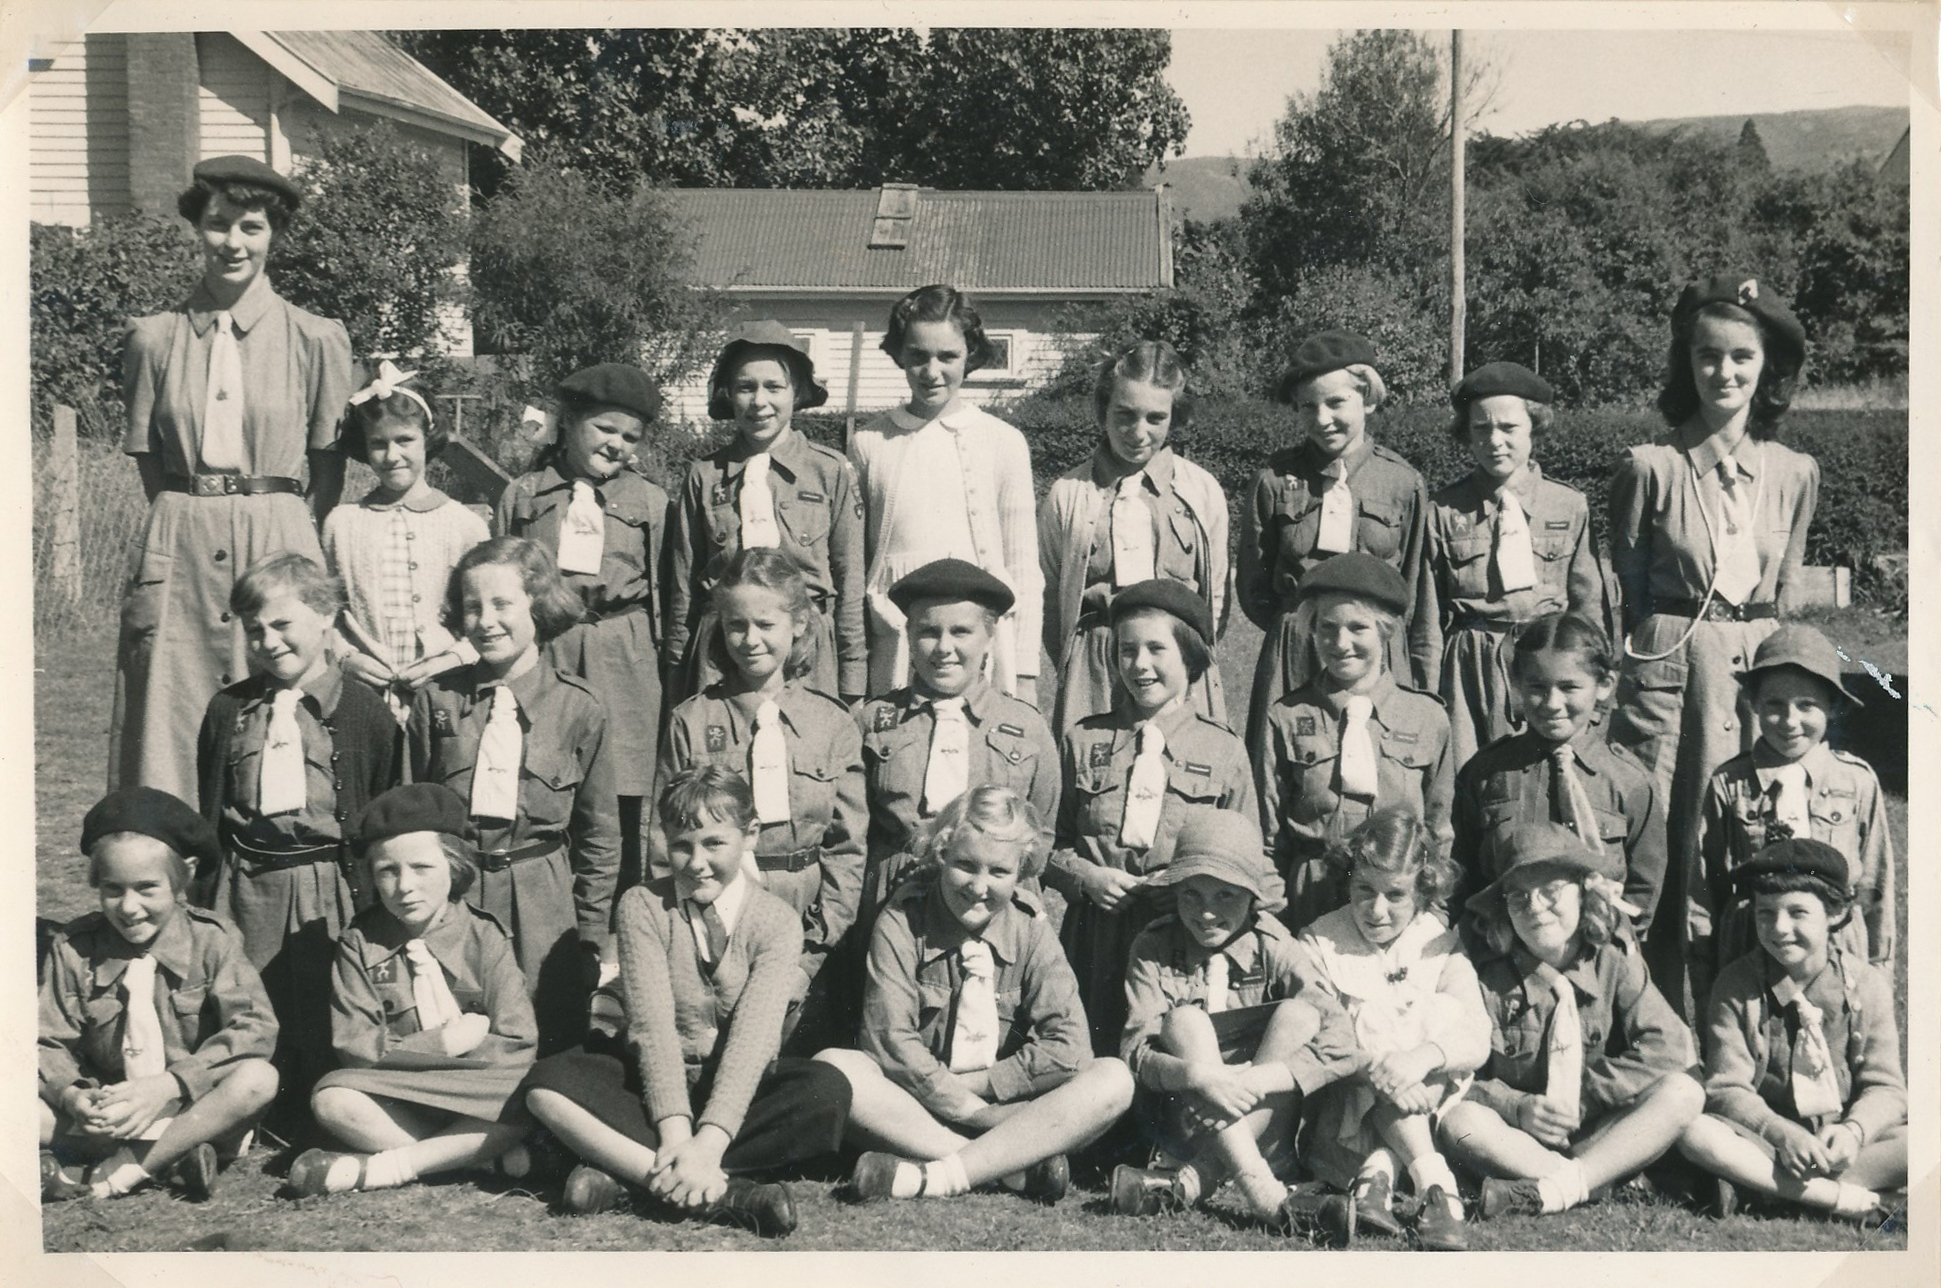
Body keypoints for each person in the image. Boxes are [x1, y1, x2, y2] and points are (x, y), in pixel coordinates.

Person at [1606, 274, 1820, 1022]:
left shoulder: (1795, 474)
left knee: (1753, 829)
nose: (1722, 373)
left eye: (1740, 358)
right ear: (1684, 363)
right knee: (1667, 839)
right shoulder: (1649, 468)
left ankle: (1751, 1019)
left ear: (1766, 370)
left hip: (1755, 666)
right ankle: (1659, 1017)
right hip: (1671, 666)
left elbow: (1785, 591)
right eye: (1705, 356)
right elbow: (1626, 592)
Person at [113, 154, 354, 802]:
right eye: (218, 224)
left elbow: (326, 465)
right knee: (168, 722)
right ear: (198, 227)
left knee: (286, 712)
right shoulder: (152, 339)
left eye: (250, 227)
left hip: (277, 536)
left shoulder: (316, 338)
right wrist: (195, 514)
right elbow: (149, 459)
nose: (233, 242)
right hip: (180, 543)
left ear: (273, 233)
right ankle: (169, 878)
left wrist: (285, 532)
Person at [521, 767, 850, 1238]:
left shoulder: (777, 921)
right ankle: (727, 1195)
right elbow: (652, 1029)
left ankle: (625, 1174)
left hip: (737, 1087)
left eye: (714, 843)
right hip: (654, 1084)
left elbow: (754, 1041)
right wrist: (678, 1135)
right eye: (681, 845)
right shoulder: (642, 906)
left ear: (750, 834)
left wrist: (708, 1145)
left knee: (827, 1090)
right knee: (546, 1084)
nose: (696, 863)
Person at [818, 787, 1135, 1206]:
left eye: (999, 872)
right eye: (965, 866)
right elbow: (889, 1042)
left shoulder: (1030, 928)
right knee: (837, 1067)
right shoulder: (901, 920)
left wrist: (983, 1094)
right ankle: (1012, 1167)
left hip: (1009, 1106)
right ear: (941, 854)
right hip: (919, 1107)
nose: (978, 887)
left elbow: (1071, 1046)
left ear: (1021, 871)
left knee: (1112, 1078)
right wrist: (968, 1110)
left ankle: (937, 1174)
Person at [195, 553, 399, 1102]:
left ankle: (319, 1101)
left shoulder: (365, 712)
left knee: (323, 1002)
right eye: (254, 630)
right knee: (246, 1000)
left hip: (327, 884)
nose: (269, 641)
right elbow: (211, 805)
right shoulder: (227, 709)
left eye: (283, 624)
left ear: (327, 614)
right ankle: (246, 1103)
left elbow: (378, 811)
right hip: (247, 882)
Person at [407, 537, 619, 1056]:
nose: (486, 621)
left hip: (541, 898)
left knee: (548, 1033)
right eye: (473, 606)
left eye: (502, 604)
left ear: (538, 604)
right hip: (457, 893)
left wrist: (589, 936)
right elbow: (408, 819)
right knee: (460, 1025)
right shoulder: (437, 701)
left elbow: (600, 836)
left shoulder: (579, 707)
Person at [652, 549, 865, 1052]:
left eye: (765, 624)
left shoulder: (831, 723)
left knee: (795, 1056)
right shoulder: (692, 720)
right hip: (716, 907)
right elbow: (664, 849)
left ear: (798, 625)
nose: (750, 641)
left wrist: (811, 956)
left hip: (805, 910)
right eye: (735, 625)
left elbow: (847, 850)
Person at [1111, 809, 1358, 1240]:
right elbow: (1136, 1051)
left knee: (1301, 1014)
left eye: (1225, 896)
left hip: (1263, 1121)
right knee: (1186, 1021)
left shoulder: (1275, 945)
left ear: (1252, 895)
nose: (1206, 913)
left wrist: (1253, 1082)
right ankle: (1264, 1195)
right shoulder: (1152, 946)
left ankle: (1190, 1182)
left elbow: (1343, 1042)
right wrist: (1200, 1076)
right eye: (1192, 895)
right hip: (1182, 1117)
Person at [1437, 822, 1704, 1219]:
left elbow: (1669, 1045)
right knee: (1460, 1123)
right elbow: (1461, 1080)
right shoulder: (1484, 974)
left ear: (1584, 891)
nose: (1536, 908)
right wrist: (1516, 1106)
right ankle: (1596, 1180)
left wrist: (1589, 1096)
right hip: (1520, 1141)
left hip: (1599, 1128)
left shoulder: (1613, 959)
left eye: (1551, 892)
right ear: (1503, 909)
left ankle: (1558, 1187)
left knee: (1684, 1092)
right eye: (1519, 897)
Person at [288, 784, 537, 1197]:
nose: (404, 886)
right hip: (400, 1092)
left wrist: (463, 1068)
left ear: (454, 865)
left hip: (478, 1090)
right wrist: (441, 1044)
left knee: (532, 1092)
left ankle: (394, 1166)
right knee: (332, 1099)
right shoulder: (359, 943)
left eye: (421, 868)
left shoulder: (485, 937)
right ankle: (478, 1155)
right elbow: (354, 1046)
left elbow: (518, 1042)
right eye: (388, 871)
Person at [1044, 580, 1256, 1054]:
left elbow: (1248, 857)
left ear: (1190, 656)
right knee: (1089, 1051)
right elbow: (1046, 842)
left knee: (1165, 1053)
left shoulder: (1222, 749)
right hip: (1093, 934)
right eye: (1126, 650)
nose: (1139, 665)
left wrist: (1185, 887)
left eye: (1156, 649)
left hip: (1179, 936)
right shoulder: (1084, 740)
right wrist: (1085, 876)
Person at [39, 788, 279, 1202]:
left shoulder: (213, 941)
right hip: (107, 1111)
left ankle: (122, 1170)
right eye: (113, 889)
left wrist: (170, 1085)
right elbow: (46, 1041)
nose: (129, 907)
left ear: (182, 877)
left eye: (147, 888)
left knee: (259, 1079)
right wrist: (74, 1095)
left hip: (190, 1104)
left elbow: (254, 1029)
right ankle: (173, 1157)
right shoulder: (73, 949)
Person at [496, 363, 669, 896]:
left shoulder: (652, 503)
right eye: (604, 429)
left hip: (625, 652)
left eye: (630, 436)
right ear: (569, 422)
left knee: (620, 784)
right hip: (549, 649)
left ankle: (620, 911)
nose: (616, 444)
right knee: (546, 766)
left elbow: (669, 593)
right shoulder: (523, 495)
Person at [1677, 839, 1905, 1223]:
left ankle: (1772, 1192)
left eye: (1798, 912)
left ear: (1835, 913)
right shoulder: (1736, 986)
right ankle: (1836, 1197)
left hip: (1841, 1148)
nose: (1779, 928)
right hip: (1764, 1145)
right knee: (1695, 1132)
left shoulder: (1867, 985)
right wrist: (1780, 1133)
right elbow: (1725, 1088)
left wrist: (1854, 1131)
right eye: (1765, 914)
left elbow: (1887, 1088)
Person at [1238, 330, 1437, 766]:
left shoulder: (1403, 483)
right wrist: (1295, 625)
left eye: (1335, 403)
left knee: (1384, 765)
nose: (1322, 418)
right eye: (1308, 406)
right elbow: (1254, 581)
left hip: (1376, 649)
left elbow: (1418, 592)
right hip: (1297, 647)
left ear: (1367, 398)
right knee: (1288, 763)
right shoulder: (1273, 480)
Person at [1291, 810, 1487, 1250]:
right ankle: (1437, 1187)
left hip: (1422, 1098)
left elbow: (1476, 1034)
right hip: (1343, 1121)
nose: (1377, 910)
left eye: (1395, 895)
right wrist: (1381, 1070)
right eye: (1364, 890)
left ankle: (1380, 1175)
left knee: (1442, 1015)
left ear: (1422, 889)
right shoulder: (1320, 941)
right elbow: (1323, 1037)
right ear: (1347, 882)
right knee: (1370, 1027)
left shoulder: (1439, 940)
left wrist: (1418, 1061)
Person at [849, 285, 1043, 704]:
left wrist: (1025, 671)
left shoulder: (1002, 441)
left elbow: (1024, 566)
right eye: (918, 355)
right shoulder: (870, 442)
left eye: (947, 357)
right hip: (898, 635)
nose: (931, 371)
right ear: (900, 353)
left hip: (979, 638)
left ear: (969, 354)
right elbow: (856, 560)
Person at [1690, 626, 1893, 1013]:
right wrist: (1706, 987)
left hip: (1837, 947)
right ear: (1752, 703)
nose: (1789, 720)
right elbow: (1703, 890)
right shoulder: (1728, 783)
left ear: (1833, 707)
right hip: (1751, 945)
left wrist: (1878, 975)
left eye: (1806, 705)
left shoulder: (1856, 782)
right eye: (1774, 704)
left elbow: (1875, 887)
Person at [667, 322, 865, 707]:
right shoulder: (704, 476)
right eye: (746, 387)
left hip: (807, 649)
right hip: (725, 649)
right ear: (729, 394)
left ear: (797, 393)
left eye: (774, 387)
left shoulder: (830, 471)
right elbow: (683, 588)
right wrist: (677, 673)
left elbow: (849, 581)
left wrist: (853, 679)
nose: (759, 401)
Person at [1039, 340, 1231, 733]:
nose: (1138, 432)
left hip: (1177, 658)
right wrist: (1080, 661)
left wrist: (1188, 653)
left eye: (1155, 418)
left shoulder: (1201, 490)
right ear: (1103, 410)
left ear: (1174, 418)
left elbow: (1215, 597)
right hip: (1095, 663)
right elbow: (1051, 593)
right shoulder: (1069, 492)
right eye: (1125, 415)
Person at [852, 558, 1060, 914]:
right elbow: (854, 830)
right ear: (909, 635)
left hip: (990, 900)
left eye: (961, 632)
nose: (943, 648)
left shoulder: (1026, 726)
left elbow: (1042, 834)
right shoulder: (875, 720)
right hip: (894, 899)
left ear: (989, 637)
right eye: (928, 632)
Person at [1258, 554, 1452, 932]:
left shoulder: (1427, 717)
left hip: (1395, 902)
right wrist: (1277, 920)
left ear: (1385, 630)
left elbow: (1439, 831)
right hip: (1309, 896)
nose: (1340, 642)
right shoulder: (1286, 716)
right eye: (1327, 627)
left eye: (1357, 628)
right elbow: (1267, 834)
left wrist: (1433, 916)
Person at [1428, 362, 1603, 768]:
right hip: (1468, 666)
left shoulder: (1568, 505)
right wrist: (1428, 689)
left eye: (1509, 428)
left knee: (1544, 767)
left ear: (1534, 428)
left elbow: (1588, 606)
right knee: (1465, 772)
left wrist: (1588, 680)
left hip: (1544, 661)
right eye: (1480, 429)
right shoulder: (1443, 509)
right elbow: (1427, 616)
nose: (1494, 441)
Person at [1450, 613, 1665, 929]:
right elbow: (1463, 871)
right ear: (1516, 684)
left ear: (1604, 685)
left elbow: (1643, 892)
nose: (1551, 703)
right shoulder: (1486, 773)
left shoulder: (1630, 782)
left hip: (1596, 954)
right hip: (1503, 950)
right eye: (1537, 686)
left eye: (1569, 687)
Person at [322, 361, 488, 723]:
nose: (392, 455)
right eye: (378, 444)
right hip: (364, 699)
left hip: (445, 696)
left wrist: (451, 659)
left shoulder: (464, 525)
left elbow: (485, 618)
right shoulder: (342, 524)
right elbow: (324, 615)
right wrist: (347, 658)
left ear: (427, 437)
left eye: (404, 440)